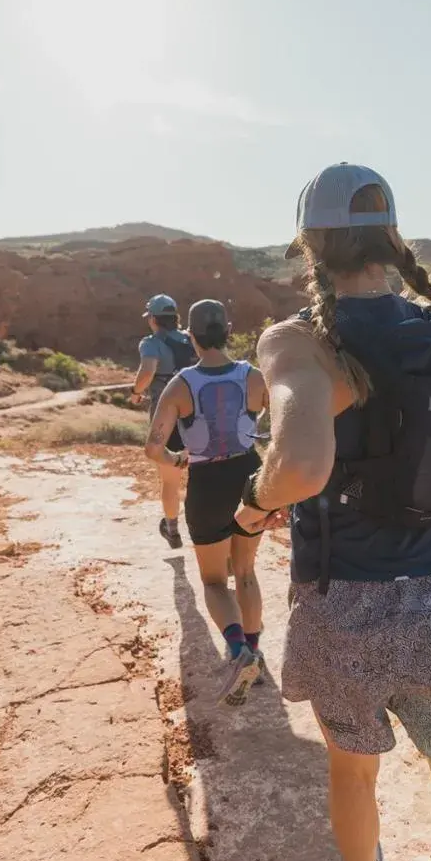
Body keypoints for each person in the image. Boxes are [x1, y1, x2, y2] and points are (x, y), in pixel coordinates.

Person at [233, 164, 431, 861]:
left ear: (310, 246)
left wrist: (254, 500)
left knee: (354, 774)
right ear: (393, 240)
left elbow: (300, 467)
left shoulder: (295, 340)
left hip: (342, 606)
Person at [145, 299, 271, 706]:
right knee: (246, 572)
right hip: (250, 477)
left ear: (191, 336)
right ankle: (255, 652)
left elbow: (153, 448)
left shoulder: (180, 384)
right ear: (228, 332)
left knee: (215, 581)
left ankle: (239, 652)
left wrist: (177, 460)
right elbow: (285, 428)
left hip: (208, 483)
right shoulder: (254, 377)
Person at [129, 293, 197, 548]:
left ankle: (172, 529)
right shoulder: (192, 339)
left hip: (166, 418)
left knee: (170, 479)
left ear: (153, 319)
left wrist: (136, 392)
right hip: (196, 416)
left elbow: (147, 371)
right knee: (199, 477)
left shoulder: (151, 343)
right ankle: (202, 529)